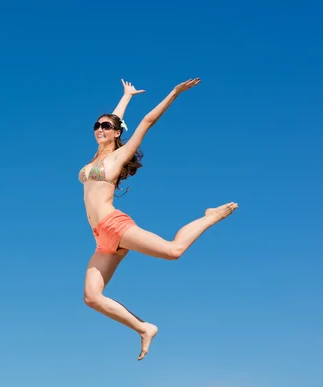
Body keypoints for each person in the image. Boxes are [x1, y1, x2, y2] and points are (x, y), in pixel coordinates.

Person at [80, 78, 238, 361]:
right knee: (92, 297)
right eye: (97, 125)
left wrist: (174, 93)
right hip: (100, 238)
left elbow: (147, 121)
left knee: (173, 251)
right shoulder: (94, 160)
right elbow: (117, 120)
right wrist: (126, 96)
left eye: (106, 126)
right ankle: (144, 328)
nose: (100, 129)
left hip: (114, 224)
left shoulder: (118, 157)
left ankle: (209, 217)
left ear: (117, 134)